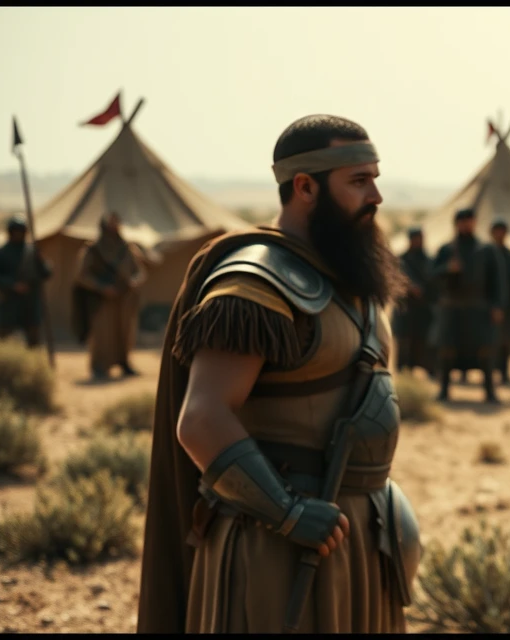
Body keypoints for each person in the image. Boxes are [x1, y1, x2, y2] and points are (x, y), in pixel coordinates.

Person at [137, 114, 420, 633]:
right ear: (305, 187)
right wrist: (288, 513)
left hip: (358, 537)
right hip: (274, 547)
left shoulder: (351, 278)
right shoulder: (254, 282)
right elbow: (201, 418)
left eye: (375, 178)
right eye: (359, 181)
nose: (376, 196)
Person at [429, 207, 506, 404]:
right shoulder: (447, 249)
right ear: (456, 224)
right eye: (462, 221)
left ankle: (490, 391)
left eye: (469, 220)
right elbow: (431, 275)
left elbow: (497, 280)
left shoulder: (486, 249)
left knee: (485, 350)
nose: (466, 224)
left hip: (478, 308)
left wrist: (497, 306)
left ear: (474, 222)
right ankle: (444, 390)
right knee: (447, 349)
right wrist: (448, 268)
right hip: (453, 308)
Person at [74, 211, 147, 380]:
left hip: (125, 298)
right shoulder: (93, 250)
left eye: (116, 224)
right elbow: (82, 275)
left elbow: (140, 271)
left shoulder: (128, 248)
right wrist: (101, 287)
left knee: (125, 332)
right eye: (111, 224)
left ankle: (124, 363)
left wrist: (133, 282)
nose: (114, 228)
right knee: (102, 334)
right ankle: (99, 367)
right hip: (102, 300)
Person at [0, 217, 51, 347]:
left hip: (30, 304)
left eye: (21, 232)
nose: (19, 235)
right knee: (4, 340)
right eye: (16, 232)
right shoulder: (0, 253)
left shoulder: (32, 252)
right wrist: (12, 285)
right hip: (9, 304)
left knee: (33, 343)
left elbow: (46, 274)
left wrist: (42, 260)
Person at [392, 227, 434, 378]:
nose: (418, 242)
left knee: (423, 343)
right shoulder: (401, 260)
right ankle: (404, 374)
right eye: (416, 238)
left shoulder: (428, 260)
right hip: (405, 310)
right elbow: (393, 280)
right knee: (404, 345)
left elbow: (433, 282)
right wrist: (408, 287)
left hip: (423, 311)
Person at [488, 219, 510, 385]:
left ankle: (504, 372)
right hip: (488, 307)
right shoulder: (484, 254)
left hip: (507, 307)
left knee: (506, 341)